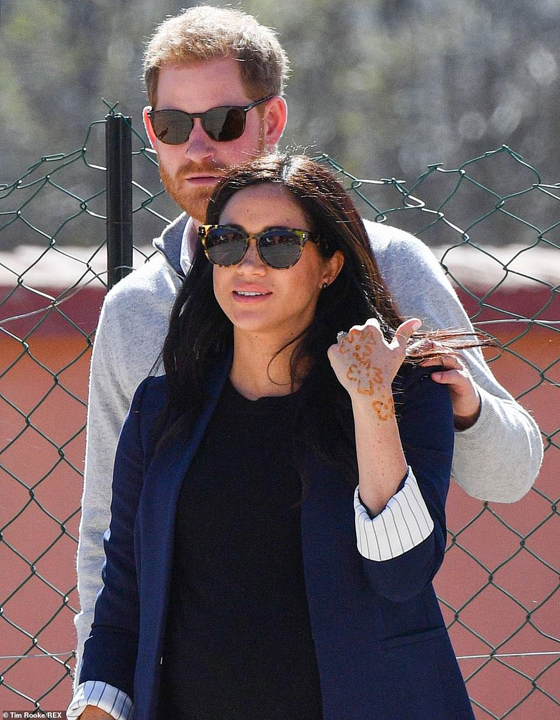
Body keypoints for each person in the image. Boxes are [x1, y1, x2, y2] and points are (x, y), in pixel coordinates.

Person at [74, 4, 543, 683]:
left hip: (358, 682)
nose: (197, 146)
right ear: (151, 132)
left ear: (272, 121)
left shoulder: (387, 265)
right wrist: (99, 691)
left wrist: (462, 403)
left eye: (223, 121)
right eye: (173, 125)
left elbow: (511, 475)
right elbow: (108, 541)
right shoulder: (135, 311)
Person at [69, 153, 480, 720]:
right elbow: (123, 601)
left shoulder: (403, 394)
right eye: (228, 242)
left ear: (330, 265)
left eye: (280, 244)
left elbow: (401, 574)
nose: (248, 264)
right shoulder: (160, 410)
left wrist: (370, 401)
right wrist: (96, 705)